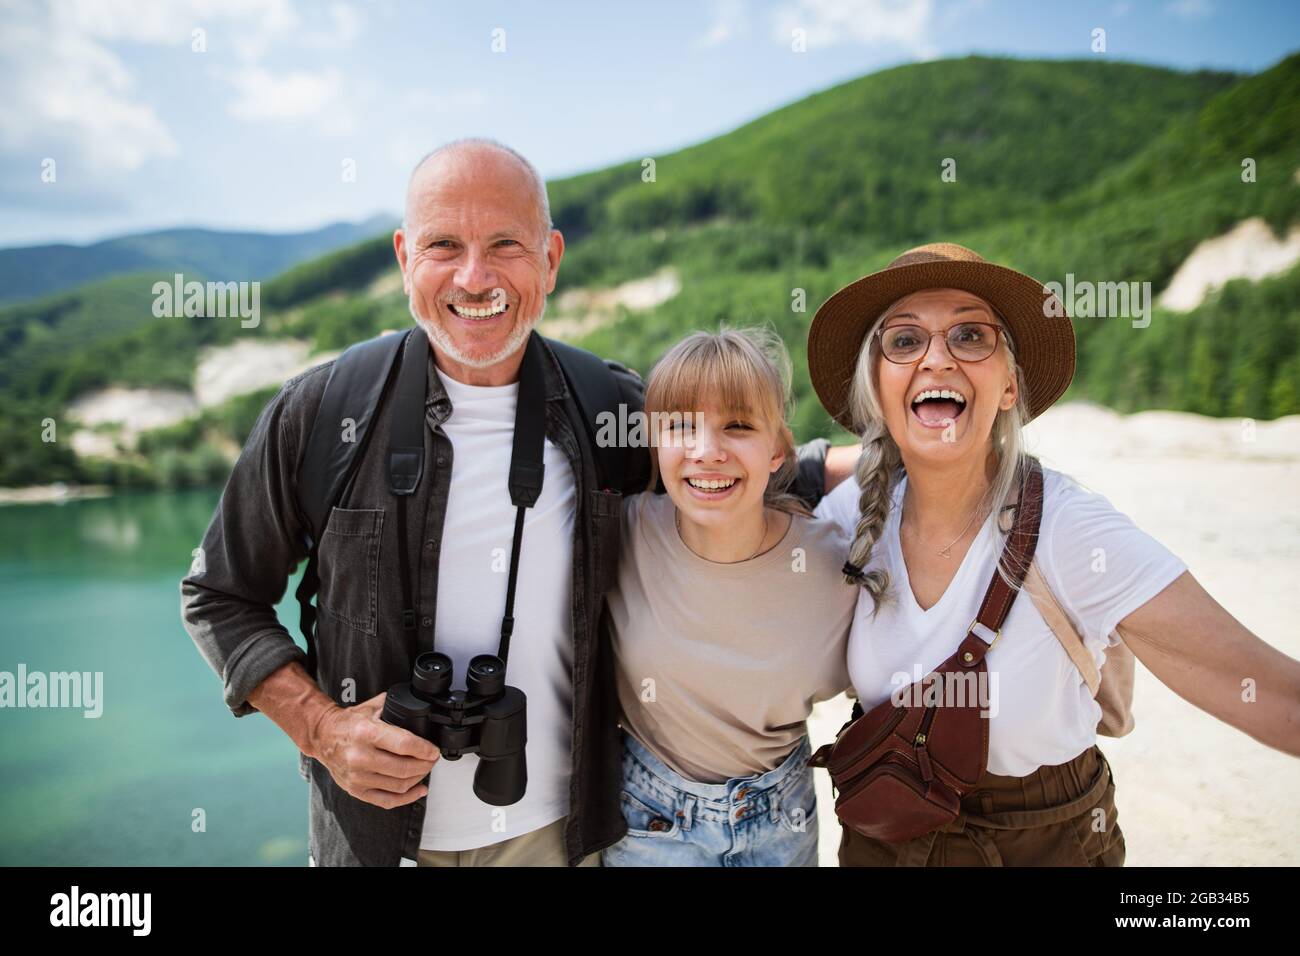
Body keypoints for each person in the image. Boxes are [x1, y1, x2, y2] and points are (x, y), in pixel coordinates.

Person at [180, 138, 857, 867]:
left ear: (551, 260)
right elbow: (219, 595)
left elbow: (726, 472)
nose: (475, 278)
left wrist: (912, 452)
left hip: (554, 837)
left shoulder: (604, 405)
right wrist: (322, 729)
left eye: (506, 245)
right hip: (373, 840)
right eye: (444, 245)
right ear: (405, 258)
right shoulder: (324, 410)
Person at [807, 242, 1300, 866]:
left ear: (1009, 386)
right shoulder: (853, 514)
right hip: (884, 841)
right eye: (904, 341)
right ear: (878, 388)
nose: (936, 357)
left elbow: (1267, 692)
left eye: (969, 335)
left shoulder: (1071, 529)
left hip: (1044, 842)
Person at [601, 329, 856, 867]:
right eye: (680, 427)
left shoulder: (833, 565)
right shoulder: (621, 534)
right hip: (651, 818)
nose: (707, 452)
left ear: (777, 449)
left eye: (738, 426)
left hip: (783, 817)